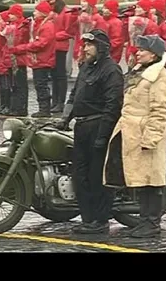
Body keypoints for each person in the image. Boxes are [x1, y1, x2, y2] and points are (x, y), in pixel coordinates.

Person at [103, 35, 166, 238]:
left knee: (151, 181)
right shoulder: (139, 73)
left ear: (153, 54)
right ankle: (144, 220)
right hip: (131, 131)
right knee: (139, 180)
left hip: (145, 134)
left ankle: (152, 222)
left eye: (142, 50)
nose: (138, 52)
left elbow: (160, 111)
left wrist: (150, 138)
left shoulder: (160, 77)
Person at [55, 29, 124, 234]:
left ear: (101, 47)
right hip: (82, 127)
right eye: (84, 44)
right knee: (79, 174)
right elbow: (75, 94)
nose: (85, 48)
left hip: (98, 125)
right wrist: (65, 118)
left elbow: (113, 105)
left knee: (97, 177)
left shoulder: (111, 70)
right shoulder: (86, 67)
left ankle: (100, 220)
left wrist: (103, 135)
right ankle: (87, 218)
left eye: (89, 45)